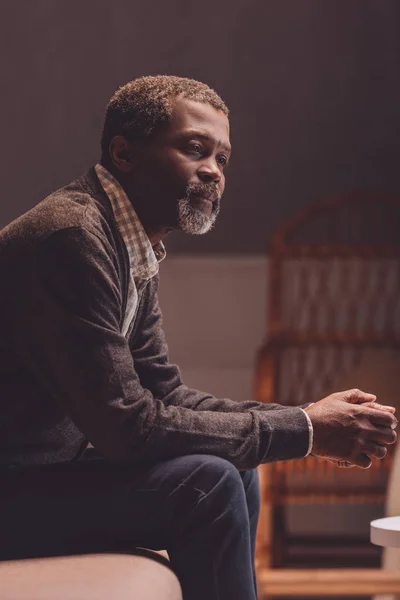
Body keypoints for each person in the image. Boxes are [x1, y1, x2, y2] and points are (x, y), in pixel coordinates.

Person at [0, 75, 396, 600]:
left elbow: (165, 394)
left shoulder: (129, 243)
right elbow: (129, 427)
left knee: (231, 470)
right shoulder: (72, 239)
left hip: (35, 478)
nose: (213, 170)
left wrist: (304, 419)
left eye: (222, 158)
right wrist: (304, 430)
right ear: (124, 153)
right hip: (13, 493)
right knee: (205, 485)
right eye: (194, 149)